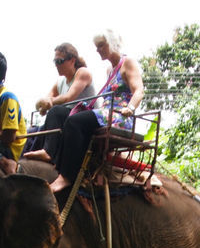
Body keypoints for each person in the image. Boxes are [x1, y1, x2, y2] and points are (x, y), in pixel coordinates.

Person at [48, 30, 145, 193]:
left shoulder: (128, 62)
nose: (98, 49)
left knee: (75, 121)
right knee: (66, 116)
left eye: (101, 45)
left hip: (120, 116)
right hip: (106, 113)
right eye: (96, 46)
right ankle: (59, 163)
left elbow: (139, 90)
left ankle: (66, 176)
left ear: (113, 43)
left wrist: (131, 108)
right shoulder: (110, 70)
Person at [22, 43, 96, 163]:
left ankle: (48, 152)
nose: (56, 65)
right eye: (54, 61)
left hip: (81, 119)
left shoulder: (83, 73)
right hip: (65, 120)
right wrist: (42, 104)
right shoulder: (60, 81)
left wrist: (49, 102)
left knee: (56, 111)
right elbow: (46, 99)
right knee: (33, 132)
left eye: (60, 61)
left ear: (72, 60)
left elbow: (68, 97)